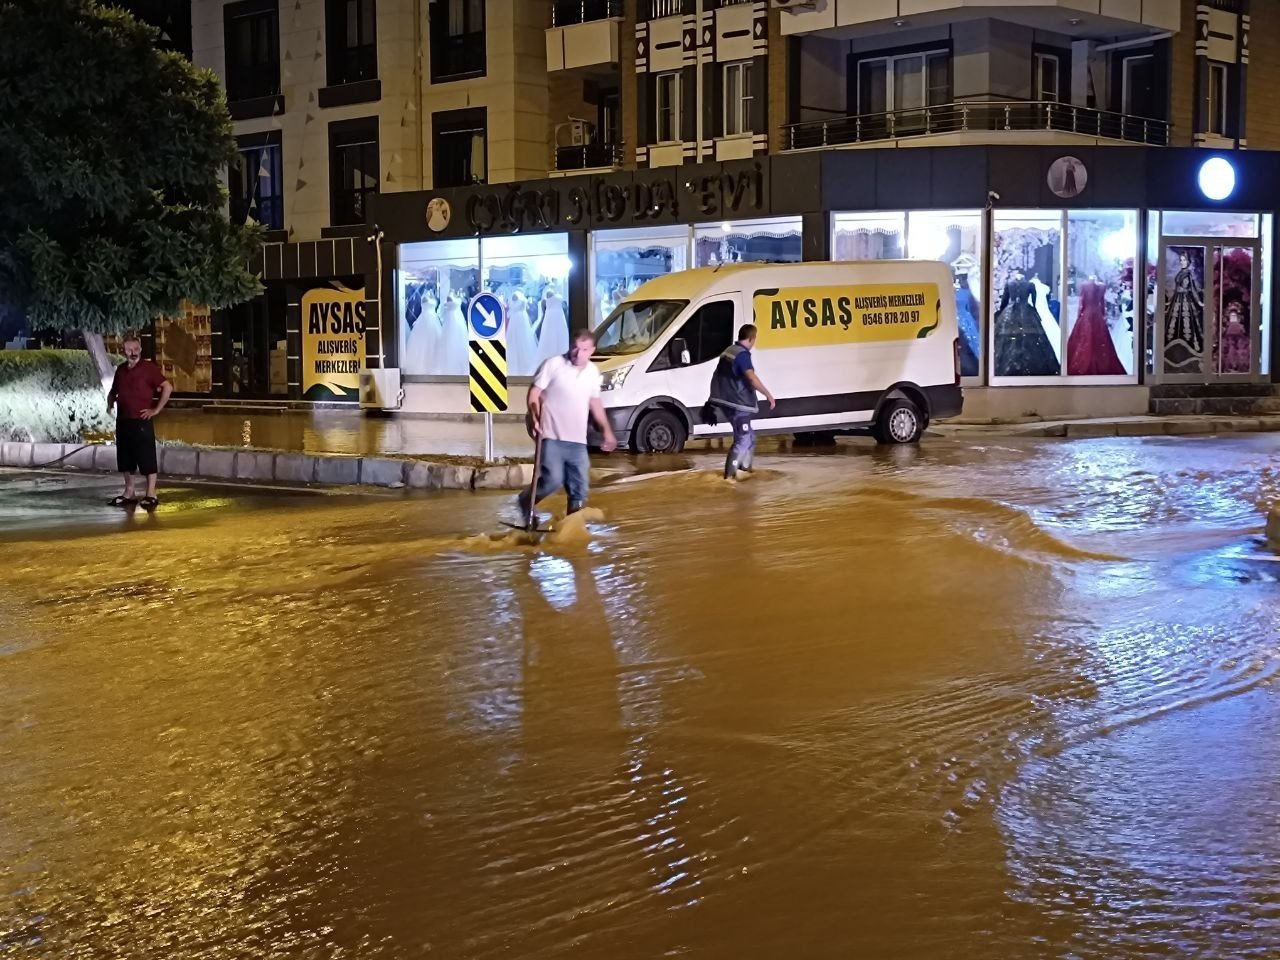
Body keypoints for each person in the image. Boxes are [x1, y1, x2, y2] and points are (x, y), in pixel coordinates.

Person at [518, 329, 618, 521]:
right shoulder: (553, 364)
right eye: (575, 348)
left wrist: (607, 432)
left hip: (578, 440)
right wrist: (534, 416)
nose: (578, 354)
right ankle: (526, 501)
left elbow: (595, 403)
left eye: (584, 350)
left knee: (579, 488)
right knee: (552, 481)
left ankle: (571, 527)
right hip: (551, 436)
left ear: (592, 351)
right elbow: (534, 393)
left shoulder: (592, 372)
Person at [106, 336, 172, 510]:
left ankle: (151, 493)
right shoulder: (120, 370)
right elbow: (113, 391)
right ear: (124, 351)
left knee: (146, 456)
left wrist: (155, 410)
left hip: (141, 420)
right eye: (129, 349)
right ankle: (129, 492)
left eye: (135, 349)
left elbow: (167, 387)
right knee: (125, 457)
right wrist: (110, 403)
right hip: (123, 420)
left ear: (140, 349)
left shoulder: (148, 369)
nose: (132, 353)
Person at [708, 323, 775, 480]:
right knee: (744, 438)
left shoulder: (729, 350)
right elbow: (751, 378)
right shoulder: (742, 355)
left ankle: (745, 470)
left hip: (725, 401)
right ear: (752, 339)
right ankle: (730, 478)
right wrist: (768, 394)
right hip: (738, 403)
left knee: (750, 437)